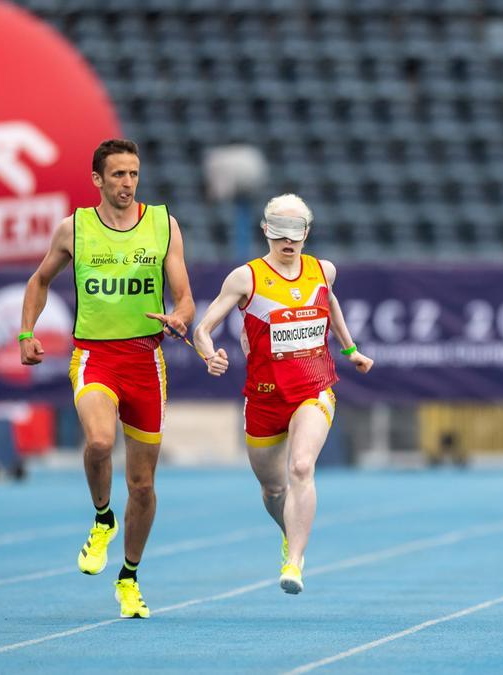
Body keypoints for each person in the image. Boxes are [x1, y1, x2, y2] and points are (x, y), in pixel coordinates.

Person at [20, 139, 195, 619]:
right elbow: (39, 281)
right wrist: (25, 332)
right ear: (97, 179)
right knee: (99, 442)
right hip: (95, 357)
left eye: (133, 174)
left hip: (145, 361)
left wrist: (179, 316)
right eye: (117, 175)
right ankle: (102, 518)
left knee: (142, 484)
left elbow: (185, 298)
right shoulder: (73, 229)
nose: (127, 183)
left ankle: (129, 577)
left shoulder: (163, 225)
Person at [192, 193, 373, 594]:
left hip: (314, 388)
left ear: (307, 233)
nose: (287, 241)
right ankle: (289, 532)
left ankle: (294, 562)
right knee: (273, 488)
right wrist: (209, 355)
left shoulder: (323, 270)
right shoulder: (246, 278)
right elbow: (202, 329)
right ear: (266, 231)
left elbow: (332, 306)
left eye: (295, 231)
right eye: (279, 231)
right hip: (264, 398)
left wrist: (350, 349)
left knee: (302, 467)